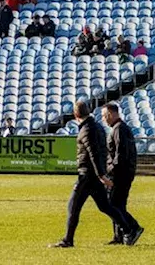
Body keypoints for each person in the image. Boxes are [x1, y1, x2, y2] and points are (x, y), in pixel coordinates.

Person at [51, 101, 137, 248]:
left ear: (75, 114)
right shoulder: (97, 127)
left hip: (87, 175)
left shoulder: (87, 129)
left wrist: (101, 175)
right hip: (94, 175)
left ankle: (68, 240)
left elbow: (93, 154)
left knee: (73, 206)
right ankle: (129, 229)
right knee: (106, 206)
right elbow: (100, 152)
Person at [103, 103, 144, 245]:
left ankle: (133, 227)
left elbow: (120, 154)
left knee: (112, 205)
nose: (104, 119)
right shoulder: (120, 128)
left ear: (111, 114)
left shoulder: (119, 129)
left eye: (105, 116)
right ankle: (119, 236)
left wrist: (111, 172)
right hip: (124, 173)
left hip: (120, 174)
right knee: (118, 204)